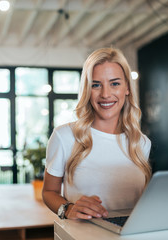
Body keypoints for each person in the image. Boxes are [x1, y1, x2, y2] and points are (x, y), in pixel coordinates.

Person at [42, 47, 152, 220]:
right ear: (87, 89)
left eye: (115, 83)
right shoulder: (64, 136)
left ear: (127, 88)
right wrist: (68, 209)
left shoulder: (141, 142)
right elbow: (49, 192)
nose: (106, 94)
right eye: (96, 85)